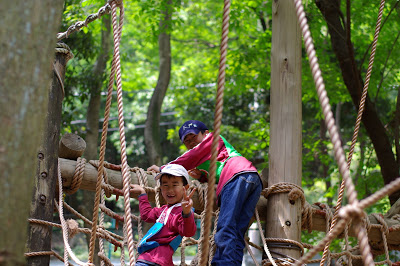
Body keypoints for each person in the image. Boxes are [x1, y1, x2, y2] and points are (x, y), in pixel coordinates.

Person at [148, 120, 263, 266]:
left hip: (237, 176)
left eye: (193, 137)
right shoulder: (211, 155)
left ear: (206, 133)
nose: (190, 142)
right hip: (252, 178)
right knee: (237, 230)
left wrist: (164, 169)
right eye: (186, 141)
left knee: (226, 225)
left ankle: (222, 263)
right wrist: (202, 176)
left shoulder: (213, 139)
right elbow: (216, 169)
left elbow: (191, 156)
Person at [130, 164, 197, 266]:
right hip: (149, 257)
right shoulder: (163, 210)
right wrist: (142, 194)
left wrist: (187, 213)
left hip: (157, 259)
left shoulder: (182, 211)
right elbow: (146, 215)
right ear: (161, 188)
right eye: (165, 185)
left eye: (175, 185)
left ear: (185, 188)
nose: (170, 190)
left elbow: (188, 232)